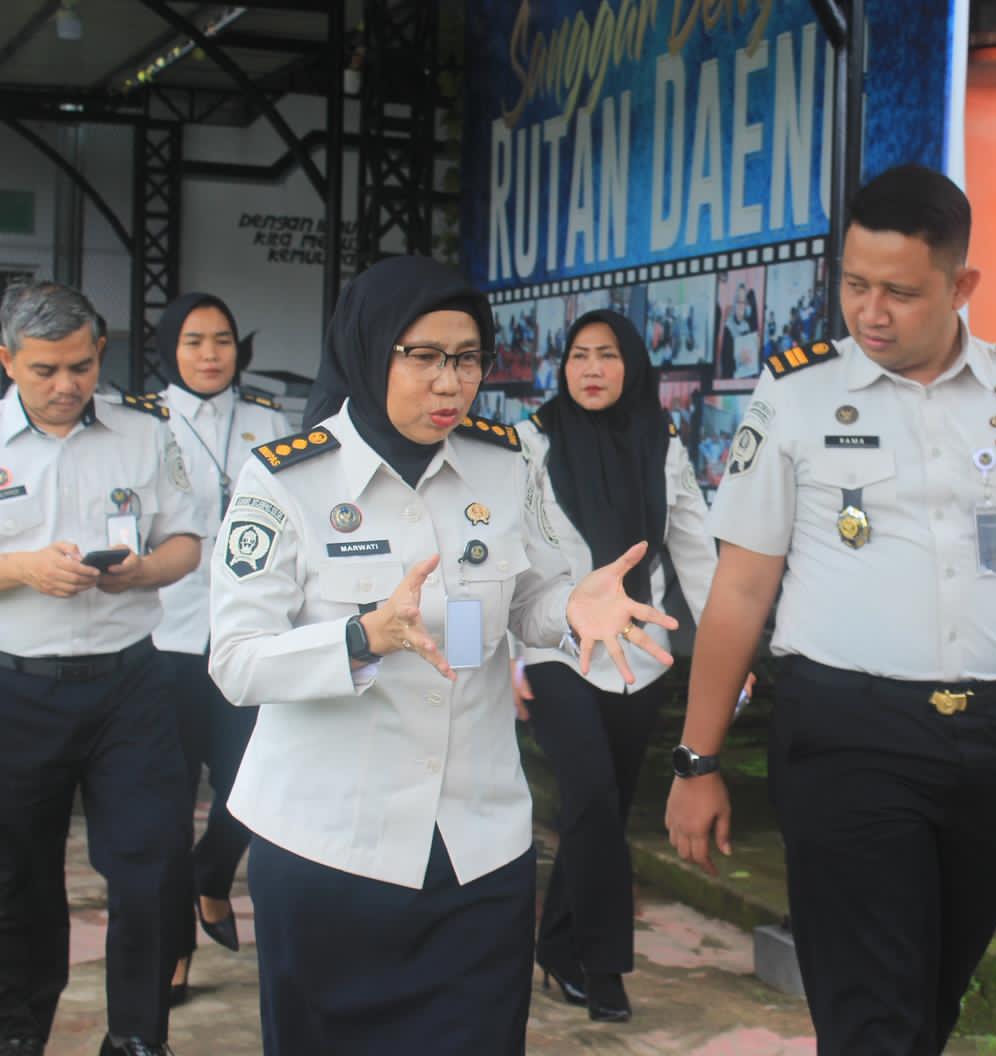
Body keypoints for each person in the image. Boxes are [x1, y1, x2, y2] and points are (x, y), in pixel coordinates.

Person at [664, 165, 996, 1055]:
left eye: (900, 293)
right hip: (846, 736)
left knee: (925, 1010)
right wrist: (696, 759)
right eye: (855, 285)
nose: (871, 313)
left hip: (993, 739)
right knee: (877, 1023)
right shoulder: (797, 394)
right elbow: (741, 588)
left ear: (961, 285)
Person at [207, 256, 677, 1055]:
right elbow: (238, 660)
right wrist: (361, 637)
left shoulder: (503, 462)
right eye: (423, 356)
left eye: (467, 359)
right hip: (329, 847)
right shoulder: (287, 480)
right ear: (370, 350)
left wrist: (570, 608)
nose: (450, 383)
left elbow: (528, 598)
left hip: (476, 845)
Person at [513, 309, 744, 1023]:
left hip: (639, 656)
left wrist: (730, 651)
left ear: (633, 366)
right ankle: (604, 965)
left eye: (607, 355)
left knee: (604, 811)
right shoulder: (529, 442)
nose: (591, 369)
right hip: (554, 646)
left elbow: (695, 550)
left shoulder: (661, 443)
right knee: (589, 800)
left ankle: (556, 948)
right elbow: (504, 557)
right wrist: (505, 657)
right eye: (579, 355)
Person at [0, 281, 202, 1056]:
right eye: (45, 369)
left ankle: (137, 1038)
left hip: (129, 687)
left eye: (80, 366)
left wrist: (145, 570)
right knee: (17, 879)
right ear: (8, 361)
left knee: (151, 867)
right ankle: (19, 1034)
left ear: (100, 353)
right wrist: (23, 569)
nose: (66, 385)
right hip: (18, 688)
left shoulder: (143, 434)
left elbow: (185, 542)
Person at [149, 293, 290, 1003]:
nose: (210, 354)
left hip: (249, 635)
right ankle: (173, 950)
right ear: (169, 349)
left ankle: (212, 873)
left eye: (223, 340)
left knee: (250, 786)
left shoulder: (270, 421)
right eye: (194, 341)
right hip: (168, 636)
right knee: (166, 806)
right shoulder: (146, 422)